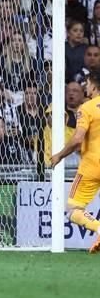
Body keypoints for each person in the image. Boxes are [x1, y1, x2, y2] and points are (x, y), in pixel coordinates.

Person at [48, 71, 100, 253]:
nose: (85, 87)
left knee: (74, 210)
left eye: (86, 83)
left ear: (93, 85)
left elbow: (78, 139)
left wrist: (59, 155)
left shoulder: (86, 108)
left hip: (91, 166)